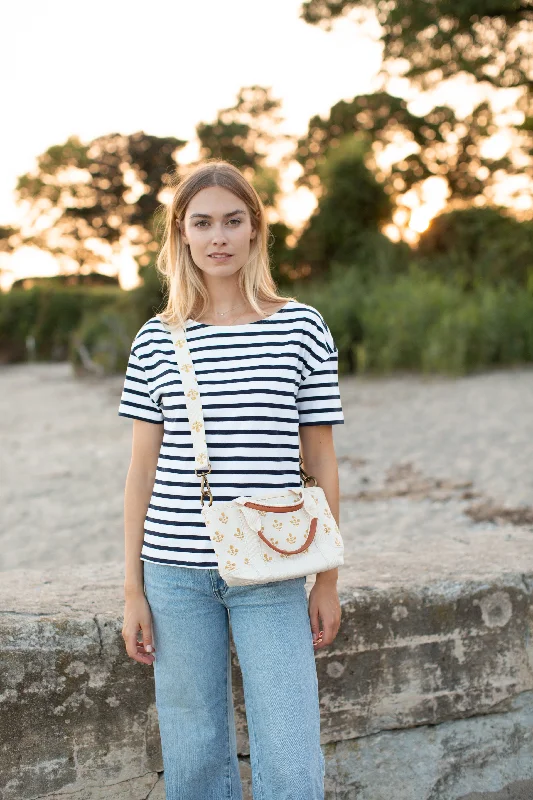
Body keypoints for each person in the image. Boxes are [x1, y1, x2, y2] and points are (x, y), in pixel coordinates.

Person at [119, 159, 345, 800]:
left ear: (254, 230)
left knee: (293, 756)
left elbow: (322, 461)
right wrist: (133, 589)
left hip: (273, 568)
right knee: (193, 758)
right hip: (174, 574)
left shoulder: (301, 327)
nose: (218, 235)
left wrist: (327, 577)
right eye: (202, 222)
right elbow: (141, 471)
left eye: (232, 220)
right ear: (181, 236)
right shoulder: (156, 340)